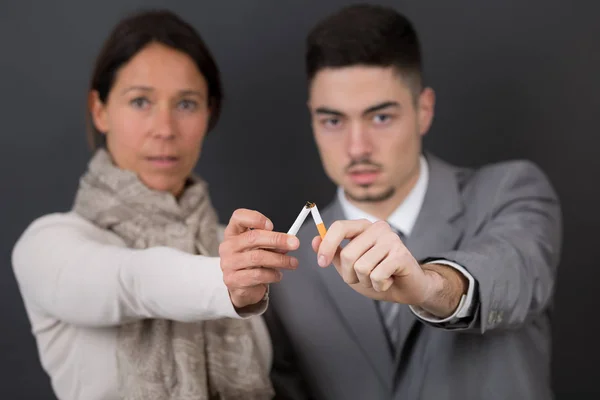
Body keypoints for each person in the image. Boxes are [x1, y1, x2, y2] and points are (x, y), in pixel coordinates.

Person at [257, 4, 562, 399]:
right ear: (312, 119)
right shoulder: (288, 272)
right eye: (333, 120)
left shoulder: (510, 192)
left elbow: (513, 272)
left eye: (380, 117)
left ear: (423, 110)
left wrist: (429, 286)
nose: (357, 147)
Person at [11, 9, 299, 400]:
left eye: (186, 104)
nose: (164, 129)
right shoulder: (49, 245)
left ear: (208, 113)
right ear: (100, 110)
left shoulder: (235, 253)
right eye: (140, 101)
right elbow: (130, 281)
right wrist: (222, 280)